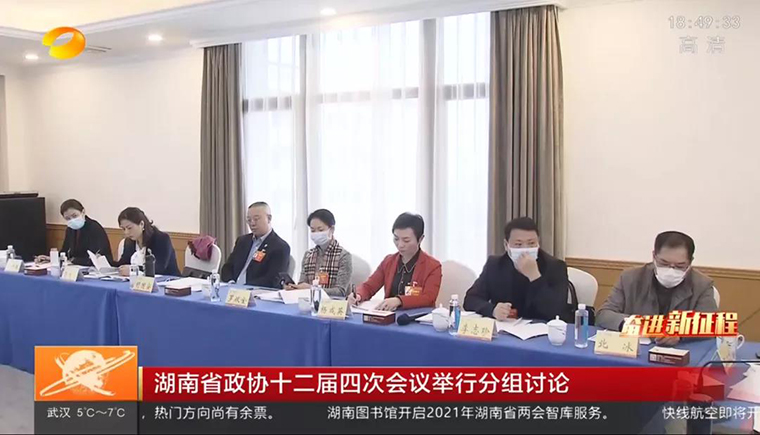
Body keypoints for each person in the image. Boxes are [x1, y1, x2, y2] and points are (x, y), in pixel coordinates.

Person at [597, 231, 717, 347]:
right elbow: (604, 314)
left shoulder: (702, 284)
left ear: (690, 262)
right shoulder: (630, 278)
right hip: (636, 350)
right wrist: (631, 323)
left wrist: (679, 333)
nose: (671, 270)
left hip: (681, 352)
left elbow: (711, 324)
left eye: (680, 266)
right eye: (663, 263)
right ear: (654, 256)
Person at [463, 217, 568, 321]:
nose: (525, 250)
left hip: (541, 328)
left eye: (531, 243)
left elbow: (556, 311)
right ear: (506, 245)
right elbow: (471, 299)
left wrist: (535, 276)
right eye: (518, 244)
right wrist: (493, 310)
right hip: (506, 328)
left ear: (538, 243)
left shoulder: (556, 266)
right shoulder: (495, 265)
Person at [349, 213, 441, 311]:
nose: (400, 245)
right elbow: (369, 286)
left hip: (417, 317)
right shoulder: (388, 261)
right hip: (389, 316)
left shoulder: (432, 266)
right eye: (396, 239)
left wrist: (399, 300)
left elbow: (428, 298)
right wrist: (358, 295)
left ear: (420, 239)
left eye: (406, 240)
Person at [285, 209, 353, 298]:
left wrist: (311, 289)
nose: (316, 234)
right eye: (313, 230)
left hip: (334, 304)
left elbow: (340, 292)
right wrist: (295, 288)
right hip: (310, 302)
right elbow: (302, 284)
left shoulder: (343, 256)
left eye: (320, 230)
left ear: (332, 229)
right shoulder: (308, 255)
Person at [221, 202, 291, 288]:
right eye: (249, 220)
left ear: (269, 219)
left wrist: (244, 288)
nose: (252, 223)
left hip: (256, 292)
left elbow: (273, 279)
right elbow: (227, 268)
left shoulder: (280, 247)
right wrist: (231, 283)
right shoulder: (242, 241)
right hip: (232, 289)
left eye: (256, 219)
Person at [35, 199, 113, 267]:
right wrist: (52, 258)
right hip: (74, 267)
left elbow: (97, 256)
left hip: (93, 269)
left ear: (83, 212)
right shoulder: (70, 229)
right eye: (68, 218)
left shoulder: (94, 227)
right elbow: (65, 251)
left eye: (74, 216)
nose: (72, 220)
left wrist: (73, 260)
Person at [115, 207, 180, 276]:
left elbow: (159, 268)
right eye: (123, 229)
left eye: (129, 228)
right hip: (139, 281)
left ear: (141, 224)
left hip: (168, 280)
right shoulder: (129, 242)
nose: (126, 232)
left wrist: (133, 269)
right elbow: (123, 263)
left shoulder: (161, 238)